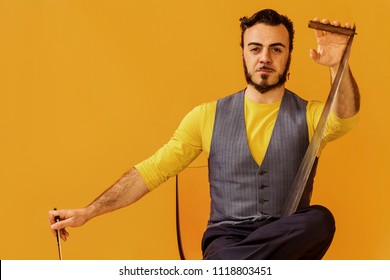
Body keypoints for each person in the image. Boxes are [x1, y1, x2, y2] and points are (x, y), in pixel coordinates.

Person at [49, 9, 360, 259]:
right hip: (228, 238)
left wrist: (338, 64)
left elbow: (345, 115)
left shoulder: (310, 116)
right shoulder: (206, 116)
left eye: (275, 49)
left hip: (285, 237)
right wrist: (88, 212)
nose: (265, 57)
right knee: (235, 255)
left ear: (289, 54)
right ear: (243, 54)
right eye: (255, 48)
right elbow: (153, 170)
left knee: (320, 219)